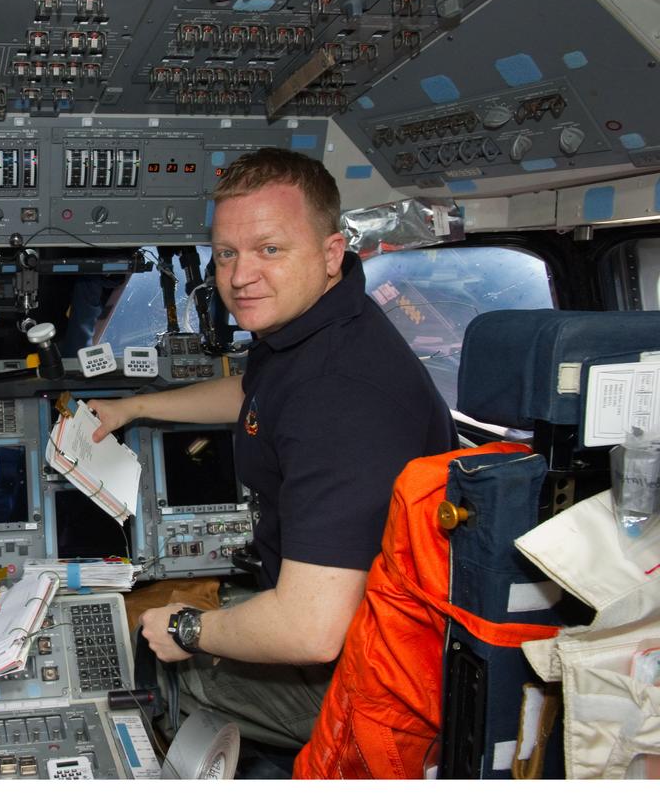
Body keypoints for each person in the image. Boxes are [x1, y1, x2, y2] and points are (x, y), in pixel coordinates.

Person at [90, 148, 456, 750]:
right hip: (340, 613)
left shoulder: (340, 398)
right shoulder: (314, 334)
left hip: (366, 677)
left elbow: (311, 630)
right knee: (145, 605)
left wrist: (187, 629)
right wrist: (135, 406)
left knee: (150, 650)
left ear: (332, 254)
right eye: (228, 253)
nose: (239, 276)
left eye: (270, 249)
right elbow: (254, 392)